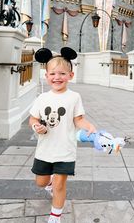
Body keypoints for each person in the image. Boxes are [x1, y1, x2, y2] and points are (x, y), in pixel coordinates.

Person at [29, 48, 96, 223]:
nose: (57, 77)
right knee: (41, 183)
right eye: (52, 73)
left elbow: (79, 119)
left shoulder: (74, 97)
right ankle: (49, 184)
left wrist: (88, 126)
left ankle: (55, 216)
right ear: (46, 76)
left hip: (65, 149)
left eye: (62, 73)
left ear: (70, 75)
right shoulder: (42, 98)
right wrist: (36, 126)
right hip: (44, 149)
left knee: (60, 184)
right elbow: (33, 118)